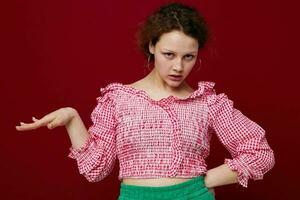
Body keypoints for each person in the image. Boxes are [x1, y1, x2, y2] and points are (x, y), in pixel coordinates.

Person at [15, 2, 275, 200]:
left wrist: (200, 183)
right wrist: (72, 119)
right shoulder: (118, 99)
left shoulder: (207, 102)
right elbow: (95, 169)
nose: (178, 66)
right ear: (152, 46)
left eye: (188, 57)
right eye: (169, 54)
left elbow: (260, 154)